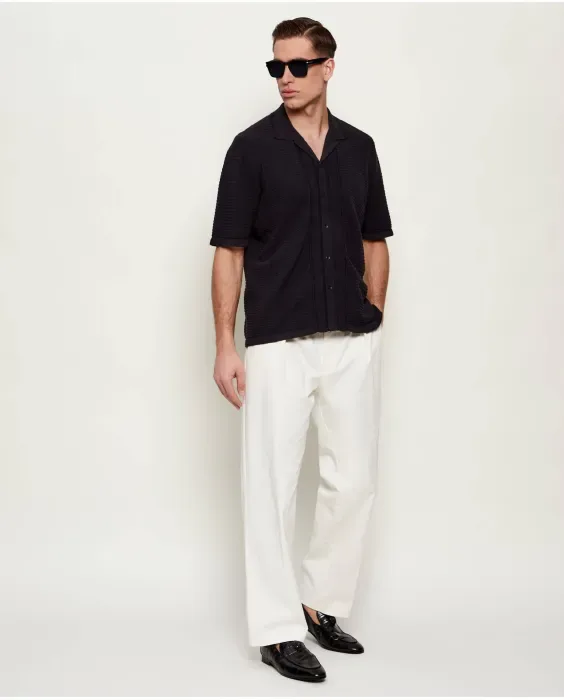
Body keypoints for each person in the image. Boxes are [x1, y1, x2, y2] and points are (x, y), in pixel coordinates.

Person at [209, 17, 393, 683]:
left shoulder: (360, 148)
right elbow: (228, 251)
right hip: (278, 343)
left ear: (328, 67)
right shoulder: (251, 150)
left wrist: (374, 314)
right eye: (275, 67)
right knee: (270, 487)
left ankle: (321, 604)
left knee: (354, 480)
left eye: (296, 66)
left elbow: (376, 239)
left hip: (351, 340)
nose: (284, 78)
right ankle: (276, 630)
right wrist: (225, 344)